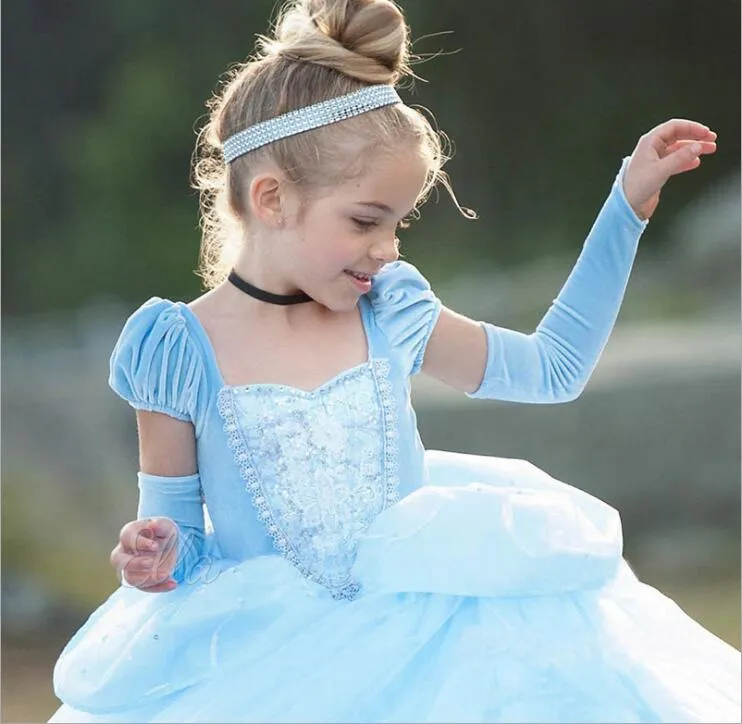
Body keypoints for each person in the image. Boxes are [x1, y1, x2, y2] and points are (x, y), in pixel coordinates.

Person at [49, 0, 739, 722]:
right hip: (268, 667)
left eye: (398, 224)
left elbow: (552, 369)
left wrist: (623, 208)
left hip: (431, 645)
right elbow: (178, 539)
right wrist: (152, 555)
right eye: (364, 220)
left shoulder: (389, 310)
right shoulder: (176, 351)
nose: (388, 248)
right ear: (272, 198)